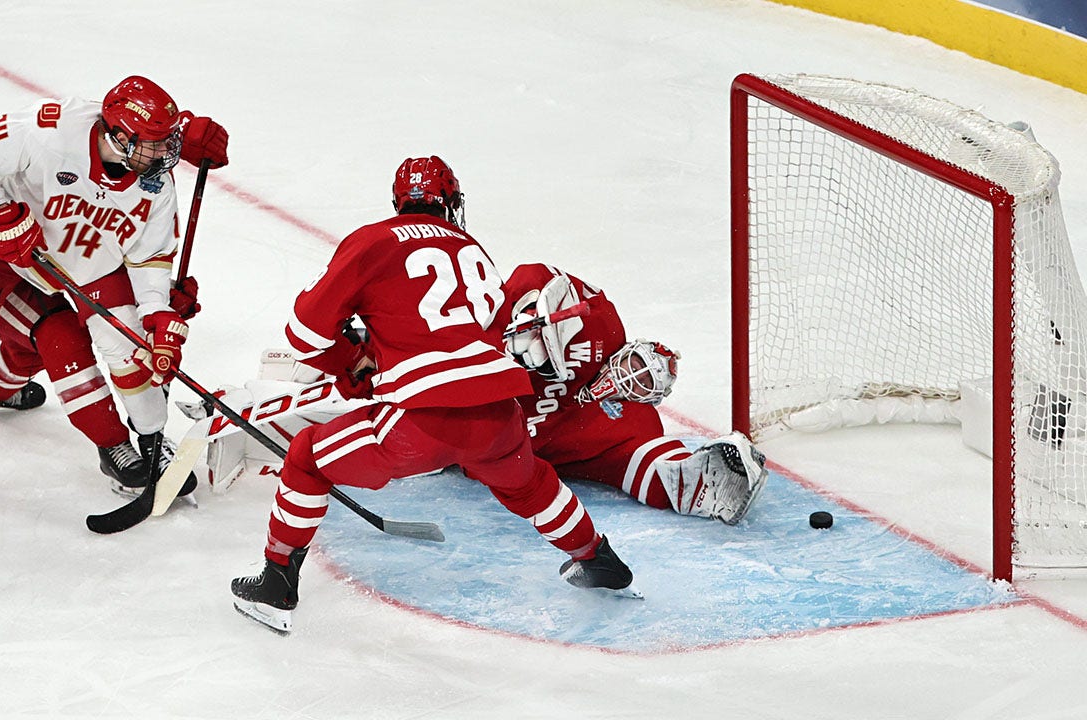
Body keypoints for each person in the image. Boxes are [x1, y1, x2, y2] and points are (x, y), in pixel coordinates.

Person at [228, 156, 635, 634]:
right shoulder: (473, 248)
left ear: (400, 203)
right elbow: (466, 336)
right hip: (499, 417)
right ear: (451, 203)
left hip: (420, 422)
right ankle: (597, 558)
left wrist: (351, 361)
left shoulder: (374, 240)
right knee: (528, 483)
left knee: (306, 458)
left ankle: (276, 582)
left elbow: (303, 336)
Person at [0, 75, 229, 497]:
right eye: (152, 143)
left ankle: (151, 439)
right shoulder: (50, 129)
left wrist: (159, 314)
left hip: (91, 262)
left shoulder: (155, 185)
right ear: (118, 133)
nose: (163, 155)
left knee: (130, 346)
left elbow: (148, 260)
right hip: (1, 245)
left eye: (166, 142)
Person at [204, 263, 770, 525]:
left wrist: (699, 473)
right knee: (359, 401)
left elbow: (643, 462)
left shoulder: (618, 414)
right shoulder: (518, 290)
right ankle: (242, 407)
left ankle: (254, 426)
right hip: (445, 402)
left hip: (479, 442)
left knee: (363, 433)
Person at [499, 263, 769, 524]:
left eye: (643, 383)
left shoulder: (632, 423)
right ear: (627, 350)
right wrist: (530, 315)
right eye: (637, 366)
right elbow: (535, 273)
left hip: (482, 448)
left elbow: (659, 470)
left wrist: (704, 479)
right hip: (469, 372)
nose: (631, 378)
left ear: (647, 399)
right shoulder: (602, 327)